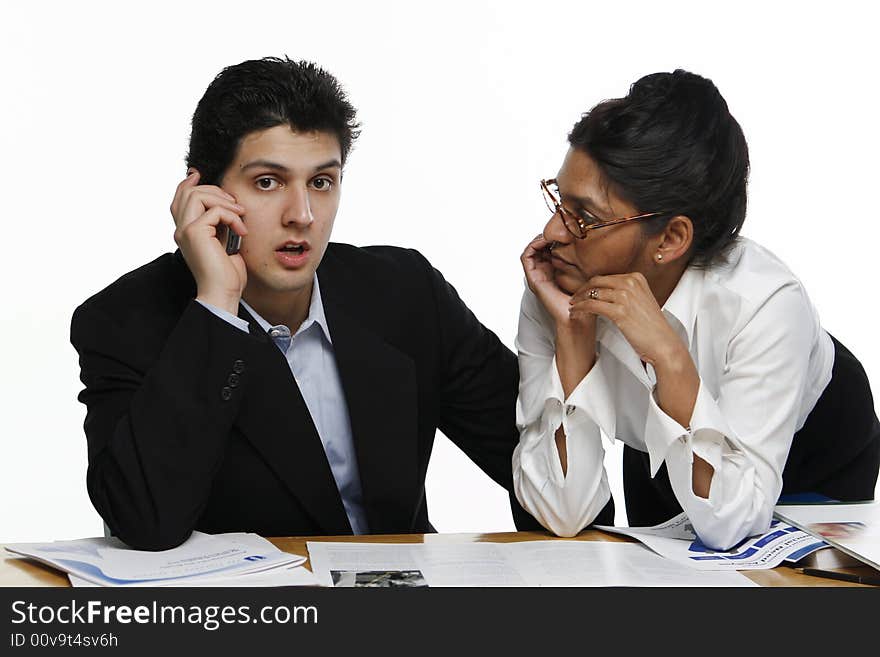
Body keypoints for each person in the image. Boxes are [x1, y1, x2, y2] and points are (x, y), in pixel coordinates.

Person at [71, 56, 537, 551]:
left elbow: (539, 469)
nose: (303, 215)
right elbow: (143, 522)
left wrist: (559, 338)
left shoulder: (406, 292)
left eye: (321, 182)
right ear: (204, 193)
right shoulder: (124, 321)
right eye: (268, 182)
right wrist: (216, 304)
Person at [513, 69, 880, 550]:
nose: (555, 232)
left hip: (813, 446)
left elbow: (732, 523)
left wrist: (668, 358)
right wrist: (573, 342)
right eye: (561, 200)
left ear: (670, 238)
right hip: (664, 437)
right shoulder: (559, 285)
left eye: (585, 217)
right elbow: (561, 514)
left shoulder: (764, 303)